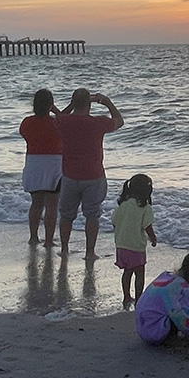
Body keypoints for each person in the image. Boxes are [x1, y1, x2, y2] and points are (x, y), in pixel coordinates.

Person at [54, 88, 124, 259]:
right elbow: (119, 121)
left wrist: (72, 104)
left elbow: (59, 117)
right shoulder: (97, 122)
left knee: (66, 214)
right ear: (89, 105)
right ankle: (90, 252)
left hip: (70, 175)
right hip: (93, 174)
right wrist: (107, 102)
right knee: (92, 215)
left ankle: (64, 248)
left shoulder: (64, 121)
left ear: (73, 103)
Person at [134, 250, 189, 345]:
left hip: (143, 326)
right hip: (154, 333)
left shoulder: (166, 277)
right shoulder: (182, 288)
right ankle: (172, 339)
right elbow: (185, 321)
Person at [19, 88, 62, 247]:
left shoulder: (27, 122)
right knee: (52, 205)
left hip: (34, 164)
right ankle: (49, 241)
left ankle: (33, 237)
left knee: (36, 204)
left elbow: (24, 134)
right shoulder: (56, 123)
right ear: (50, 105)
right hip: (53, 165)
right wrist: (55, 110)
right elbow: (65, 120)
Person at [112, 173, 158, 307]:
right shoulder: (145, 207)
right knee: (139, 273)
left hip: (121, 244)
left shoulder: (123, 205)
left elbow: (114, 221)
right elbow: (147, 226)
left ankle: (126, 297)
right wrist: (153, 239)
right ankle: (139, 299)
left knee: (127, 272)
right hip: (136, 245)